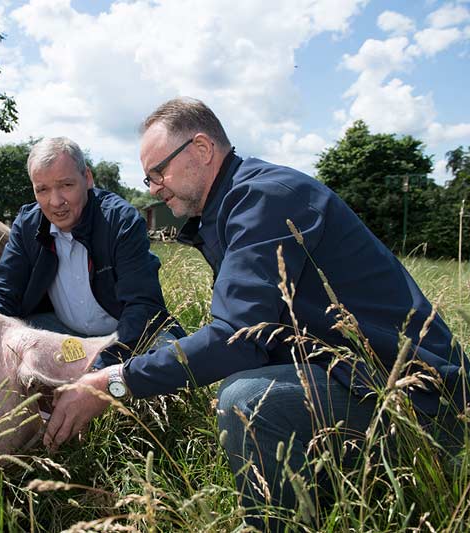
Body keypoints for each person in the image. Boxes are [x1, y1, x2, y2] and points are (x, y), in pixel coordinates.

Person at [43, 98, 468, 530]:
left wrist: (112, 382)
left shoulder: (263, 199)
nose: (153, 188)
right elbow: (266, 333)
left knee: (248, 400)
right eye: (148, 178)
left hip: (424, 402)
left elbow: (237, 336)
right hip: (363, 377)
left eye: (158, 173)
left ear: (202, 150)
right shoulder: (234, 206)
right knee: (241, 387)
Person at [0, 136, 184, 374]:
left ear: (87, 178)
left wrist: (100, 368)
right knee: (13, 338)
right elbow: (5, 296)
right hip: (63, 332)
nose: (55, 202)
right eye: (43, 189)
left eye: (66, 185)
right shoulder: (26, 225)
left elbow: (142, 307)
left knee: (173, 355)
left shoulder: (120, 221)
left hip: (126, 332)